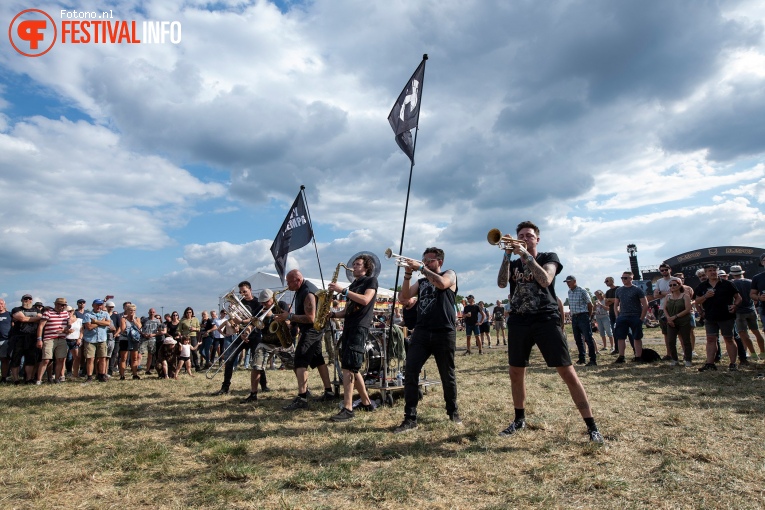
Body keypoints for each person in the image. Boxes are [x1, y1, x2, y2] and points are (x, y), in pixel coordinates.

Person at [496, 221, 603, 443]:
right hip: (519, 320)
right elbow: (501, 283)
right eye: (521, 235)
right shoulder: (514, 263)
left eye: (529, 235)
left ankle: (591, 426)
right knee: (516, 372)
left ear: (537, 239)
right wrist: (507, 256)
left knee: (567, 372)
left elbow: (545, 280)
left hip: (545, 318)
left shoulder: (548, 257)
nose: (524, 238)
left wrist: (525, 255)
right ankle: (519, 419)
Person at [394, 247, 461, 433]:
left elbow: (441, 284)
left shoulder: (450, 274)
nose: (425, 263)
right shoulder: (422, 281)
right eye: (424, 260)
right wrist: (408, 274)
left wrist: (421, 268)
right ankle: (410, 417)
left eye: (430, 260)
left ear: (440, 262)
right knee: (410, 371)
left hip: (444, 331)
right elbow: (404, 297)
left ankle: (453, 412)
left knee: (446, 374)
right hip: (422, 332)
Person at [326, 254, 378, 422]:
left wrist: (343, 290)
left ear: (366, 267)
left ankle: (348, 408)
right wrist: (333, 315)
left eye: (358, 264)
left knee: (349, 367)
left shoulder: (370, 281)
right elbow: (348, 310)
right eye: (354, 264)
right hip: (349, 326)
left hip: (359, 326)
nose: (354, 266)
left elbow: (365, 300)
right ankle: (367, 403)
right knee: (351, 366)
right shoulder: (353, 284)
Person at [275, 270, 335, 410]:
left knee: (300, 361)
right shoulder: (301, 289)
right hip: (313, 329)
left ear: (297, 280)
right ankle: (329, 392)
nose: (288, 285)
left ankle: (302, 398)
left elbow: (310, 318)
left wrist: (289, 317)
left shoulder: (307, 292)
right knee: (318, 359)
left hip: (312, 329)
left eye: (289, 282)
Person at [212, 281, 263, 395]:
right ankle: (225, 387)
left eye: (245, 291)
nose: (243, 294)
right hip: (241, 334)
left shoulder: (258, 303)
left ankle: (264, 385)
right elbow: (235, 321)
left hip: (254, 335)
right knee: (229, 358)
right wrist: (233, 313)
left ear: (250, 289)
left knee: (257, 362)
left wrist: (242, 321)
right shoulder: (239, 303)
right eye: (240, 292)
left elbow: (254, 320)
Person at [239, 288, 283, 405]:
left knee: (296, 365)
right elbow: (252, 324)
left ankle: (304, 391)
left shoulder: (281, 305)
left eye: (266, 302)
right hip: (266, 342)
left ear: (272, 299)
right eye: (262, 302)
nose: (263, 304)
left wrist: (273, 315)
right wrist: (246, 333)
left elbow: (289, 322)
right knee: (256, 365)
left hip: (283, 341)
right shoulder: (260, 309)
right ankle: (253, 394)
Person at [695, 263, 741, 372]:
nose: (712, 272)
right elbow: (697, 301)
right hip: (710, 316)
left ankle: (733, 363)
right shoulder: (702, 286)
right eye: (709, 270)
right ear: (705, 273)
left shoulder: (727, 284)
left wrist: (735, 305)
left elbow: (738, 298)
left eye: (714, 270)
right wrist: (705, 297)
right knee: (711, 339)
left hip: (726, 316)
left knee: (729, 339)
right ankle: (710, 363)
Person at [729, 265, 765, 361]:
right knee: (756, 332)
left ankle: (753, 353)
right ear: (742, 273)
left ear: (732, 274)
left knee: (743, 334)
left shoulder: (731, 283)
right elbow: (756, 296)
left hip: (739, 311)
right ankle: (763, 352)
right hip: (751, 309)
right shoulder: (750, 281)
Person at [613, 272, 649, 364]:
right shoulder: (619, 290)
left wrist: (641, 318)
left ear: (631, 278)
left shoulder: (637, 290)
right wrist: (617, 316)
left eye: (625, 278)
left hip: (635, 316)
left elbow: (645, 304)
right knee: (620, 337)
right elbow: (616, 304)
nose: (623, 280)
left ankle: (638, 356)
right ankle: (621, 356)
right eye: (622, 278)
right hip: (622, 316)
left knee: (637, 337)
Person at [35, 297, 72, 384]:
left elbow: (68, 326)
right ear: (56, 304)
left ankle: (57, 378)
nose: (63, 306)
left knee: (61, 359)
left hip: (62, 339)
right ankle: (39, 380)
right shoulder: (48, 313)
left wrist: (66, 328)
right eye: (61, 305)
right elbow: (41, 326)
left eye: (64, 305)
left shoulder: (66, 314)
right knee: (46, 359)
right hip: (49, 339)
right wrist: (39, 339)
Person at [564, 275, 597, 366]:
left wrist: (588, 316)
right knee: (577, 339)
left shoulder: (582, 290)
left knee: (588, 338)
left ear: (574, 281)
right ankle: (582, 358)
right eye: (567, 282)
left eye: (569, 282)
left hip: (583, 315)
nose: (568, 284)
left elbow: (590, 305)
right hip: (574, 317)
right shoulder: (569, 292)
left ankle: (593, 359)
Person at [10, 294, 44, 383]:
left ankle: (28, 379)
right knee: (16, 359)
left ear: (32, 300)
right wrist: (34, 318)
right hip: (19, 337)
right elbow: (22, 319)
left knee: (30, 359)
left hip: (32, 337)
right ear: (22, 300)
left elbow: (40, 319)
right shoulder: (16, 309)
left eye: (29, 299)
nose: (27, 300)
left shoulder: (36, 309)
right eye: (25, 298)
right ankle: (16, 379)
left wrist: (26, 318)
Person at [662, 277, 694, 367]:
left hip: (683, 321)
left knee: (686, 341)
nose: (672, 286)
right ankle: (675, 359)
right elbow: (664, 308)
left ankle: (688, 360)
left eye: (674, 285)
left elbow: (688, 309)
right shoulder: (668, 296)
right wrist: (669, 318)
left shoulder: (685, 296)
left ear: (680, 285)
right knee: (671, 341)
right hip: (671, 321)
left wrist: (675, 317)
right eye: (670, 285)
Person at [82, 299, 112, 383]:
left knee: (102, 358)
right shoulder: (87, 315)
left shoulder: (105, 314)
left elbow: (108, 323)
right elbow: (89, 327)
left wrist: (95, 321)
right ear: (93, 305)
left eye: (100, 305)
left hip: (102, 339)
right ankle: (89, 376)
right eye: (97, 305)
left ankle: (102, 375)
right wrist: (101, 322)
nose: (99, 306)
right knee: (90, 359)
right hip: (90, 339)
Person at [654, 263, 674, 360]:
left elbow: (675, 292)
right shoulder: (659, 281)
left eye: (666, 269)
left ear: (670, 269)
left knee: (679, 333)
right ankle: (669, 354)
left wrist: (661, 293)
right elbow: (655, 295)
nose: (664, 272)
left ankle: (684, 353)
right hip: (662, 308)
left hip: (674, 307)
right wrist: (665, 293)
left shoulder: (675, 280)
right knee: (665, 333)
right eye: (662, 270)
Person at [118, 304, 143, 380]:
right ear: (127, 311)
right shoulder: (123, 319)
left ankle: (135, 374)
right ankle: (122, 375)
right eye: (130, 310)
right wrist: (128, 320)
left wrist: (134, 320)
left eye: (134, 310)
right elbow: (123, 329)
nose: (132, 312)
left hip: (134, 339)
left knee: (134, 357)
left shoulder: (137, 319)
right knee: (123, 358)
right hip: (125, 339)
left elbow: (139, 327)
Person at [141, 308, 161, 375]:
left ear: (155, 313)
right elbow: (139, 328)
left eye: (153, 312)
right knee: (139, 354)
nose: (152, 313)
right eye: (150, 312)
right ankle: (136, 368)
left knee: (150, 355)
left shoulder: (157, 321)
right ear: (148, 312)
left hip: (152, 339)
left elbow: (160, 331)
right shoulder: (144, 320)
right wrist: (143, 334)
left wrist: (153, 334)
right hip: (144, 339)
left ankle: (147, 370)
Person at [65, 305, 84, 380]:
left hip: (75, 340)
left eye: (70, 311)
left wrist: (80, 338)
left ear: (73, 311)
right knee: (63, 358)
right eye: (67, 311)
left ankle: (75, 374)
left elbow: (82, 330)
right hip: (65, 340)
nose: (68, 312)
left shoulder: (79, 320)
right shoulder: (63, 320)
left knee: (77, 357)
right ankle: (62, 375)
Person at [0, 299, 12, 382]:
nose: (0, 305)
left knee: (4, 359)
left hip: (5, 340)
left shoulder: (10, 315)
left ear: (4, 304)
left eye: (1, 303)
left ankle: (4, 377)